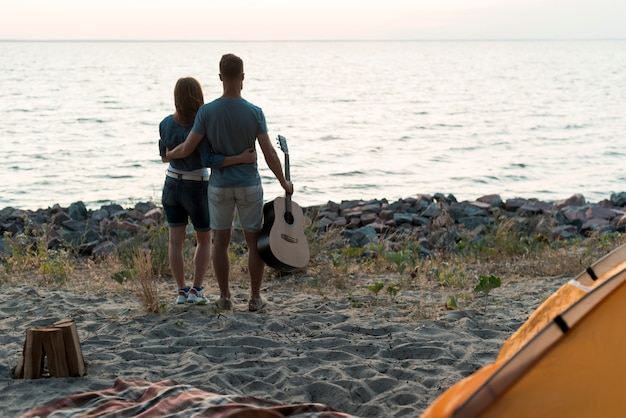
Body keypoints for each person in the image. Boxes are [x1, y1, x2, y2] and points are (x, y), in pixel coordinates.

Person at [167, 54, 293, 312]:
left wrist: (169, 154)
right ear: (243, 78)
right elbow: (269, 152)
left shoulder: (206, 112)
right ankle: (255, 298)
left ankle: (225, 298)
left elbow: (189, 147)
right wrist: (284, 182)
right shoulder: (255, 112)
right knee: (254, 243)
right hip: (249, 185)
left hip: (219, 188)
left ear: (221, 77)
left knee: (220, 244)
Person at [159, 76, 256, 305]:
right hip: (197, 185)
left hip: (171, 183)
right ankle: (197, 290)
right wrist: (240, 158)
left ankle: (181, 292)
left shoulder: (165, 123)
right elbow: (209, 159)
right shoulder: (201, 125)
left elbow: (164, 157)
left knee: (175, 241)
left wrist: (173, 154)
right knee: (204, 241)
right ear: (198, 96)